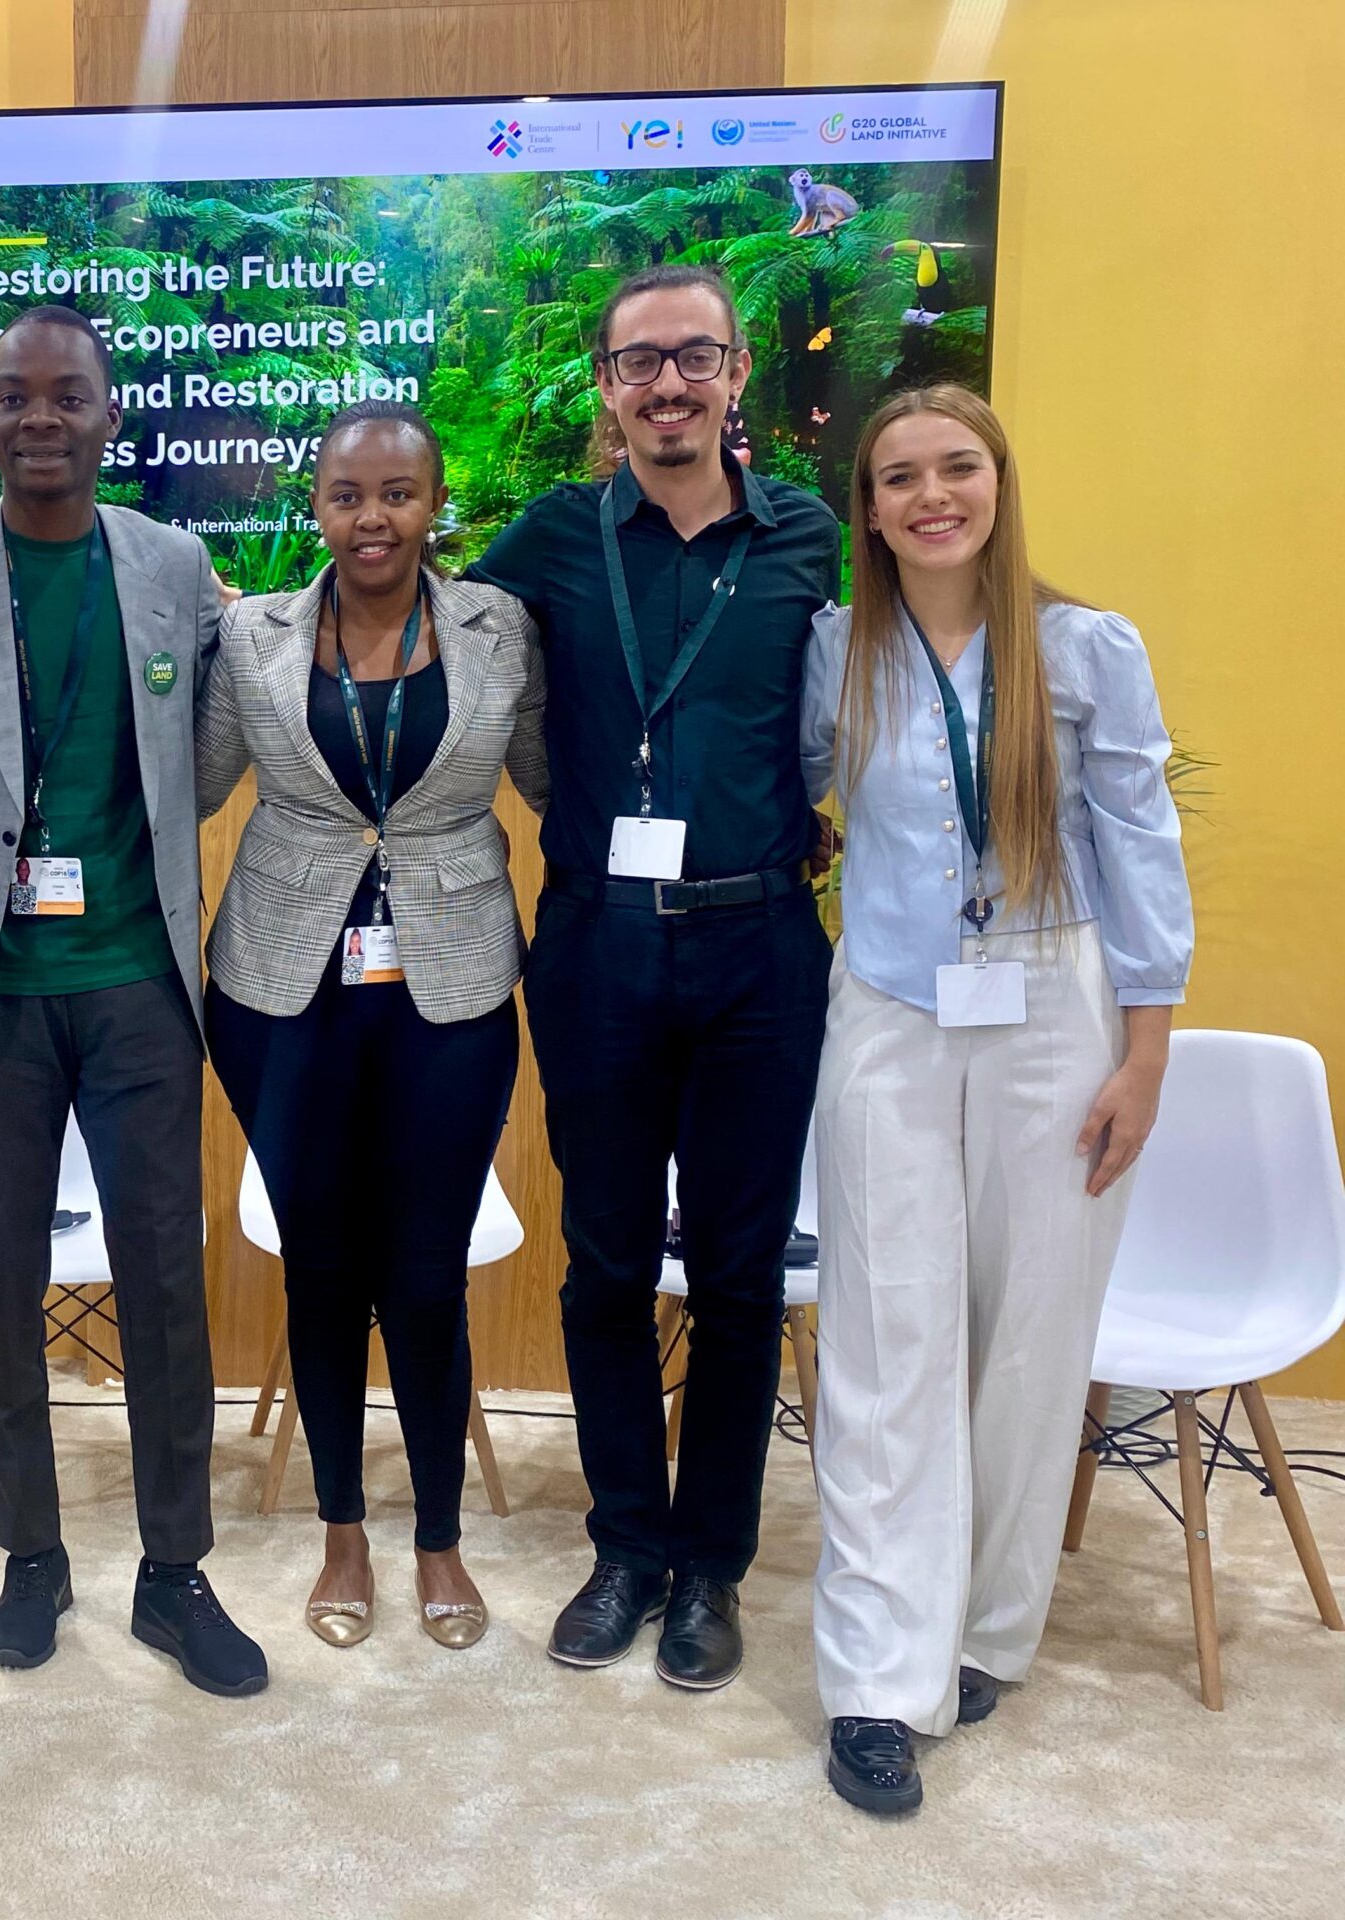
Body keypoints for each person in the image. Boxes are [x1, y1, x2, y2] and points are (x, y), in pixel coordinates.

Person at [0, 305, 266, 1696]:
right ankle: (33, 1560)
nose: (40, 420)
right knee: (6, 1284)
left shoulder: (174, 565)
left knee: (165, 1289)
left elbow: (209, 740)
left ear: (109, 414)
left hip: (138, 979)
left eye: (68, 396)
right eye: (15, 396)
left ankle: (175, 1571)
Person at [802, 386, 1190, 1814]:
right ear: (871, 507)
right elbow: (809, 795)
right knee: (889, 1340)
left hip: (1059, 1009)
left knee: (1032, 1333)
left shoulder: (1087, 650)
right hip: (894, 1008)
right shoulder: (839, 651)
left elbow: (1141, 847)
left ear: (1000, 480)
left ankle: (984, 1631)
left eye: (955, 467)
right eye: (899, 477)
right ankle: (876, 1677)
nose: (930, 496)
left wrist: (1147, 1054)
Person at [464, 263, 839, 1690]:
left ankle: (710, 1568)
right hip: (599, 946)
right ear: (607, 389)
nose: (667, 383)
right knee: (609, 1259)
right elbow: (423, 650)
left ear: (737, 372)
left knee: (742, 1277)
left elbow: (846, 709)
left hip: (759, 946)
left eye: (694, 356)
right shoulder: (553, 539)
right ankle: (624, 1545)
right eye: (639, 363)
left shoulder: (805, 536)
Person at [199, 401, 546, 1651]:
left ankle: (437, 1540)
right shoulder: (252, 636)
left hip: (451, 988)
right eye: (348, 495)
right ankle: (341, 1530)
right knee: (324, 1264)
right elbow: (185, 782)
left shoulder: (499, 629)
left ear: (432, 503)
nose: (373, 519)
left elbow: (562, 781)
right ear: (317, 506)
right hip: (281, 992)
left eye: (398, 493)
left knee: (424, 1272)